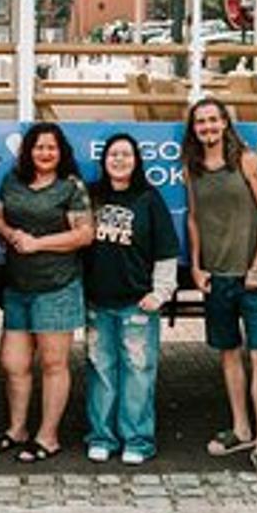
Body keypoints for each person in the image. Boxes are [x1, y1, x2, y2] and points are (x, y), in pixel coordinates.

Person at [184, 96, 257, 482]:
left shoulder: (247, 161)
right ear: (194, 129)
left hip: (252, 277)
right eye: (200, 122)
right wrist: (195, 265)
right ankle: (241, 429)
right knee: (229, 354)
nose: (207, 128)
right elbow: (194, 218)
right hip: (217, 277)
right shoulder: (191, 167)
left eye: (213, 120)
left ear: (225, 123)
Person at [0, 121, 93, 465]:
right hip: (19, 287)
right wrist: (10, 232)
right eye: (38, 147)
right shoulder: (12, 180)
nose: (44, 153)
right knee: (12, 363)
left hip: (57, 286)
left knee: (53, 363)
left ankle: (47, 436)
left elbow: (84, 235)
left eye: (51, 147)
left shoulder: (70, 186)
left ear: (60, 152)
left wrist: (37, 244)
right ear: (28, 151)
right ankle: (16, 429)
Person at [81, 132, 179, 466]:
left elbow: (166, 249)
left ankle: (138, 440)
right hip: (97, 302)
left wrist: (160, 292)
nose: (119, 160)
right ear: (104, 160)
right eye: (113, 155)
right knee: (101, 371)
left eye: (126, 155)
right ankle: (101, 437)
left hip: (137, 303)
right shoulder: (91, 196)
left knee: (138, 373)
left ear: (136, 161)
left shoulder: (149, 199)